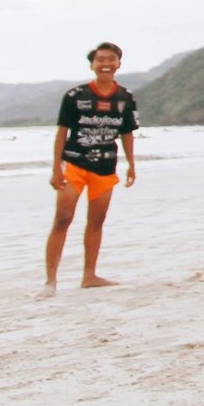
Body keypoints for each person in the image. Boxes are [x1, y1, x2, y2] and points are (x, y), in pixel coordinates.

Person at [42, 42, 139, 297]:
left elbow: (127, 133)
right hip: (74, 164)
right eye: (100, 59)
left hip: (105, 168)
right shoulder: (75, 95)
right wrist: (56, 168)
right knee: (63, 219)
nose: (106, 63)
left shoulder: (125, 97)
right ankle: (50, 281)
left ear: (118, 64)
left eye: (111, 59)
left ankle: (89, 276)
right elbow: (62, 132)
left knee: (96, 222)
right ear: (92, 65)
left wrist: (131, 164)